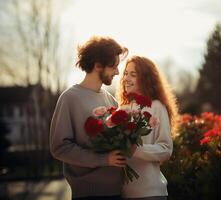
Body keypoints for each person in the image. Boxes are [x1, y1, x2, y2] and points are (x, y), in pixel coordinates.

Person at [50, 36, 128, 200]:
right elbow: (60, 147)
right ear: (98, 65)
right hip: (89, 194)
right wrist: (103, 159)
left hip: (117, 192)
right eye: (113, 66)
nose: (117, 72)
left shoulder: (110, 99)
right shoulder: (70, 98)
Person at [117, 56, 178, 200]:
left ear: (145, 78)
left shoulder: (156, 106)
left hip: (150, 193)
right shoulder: (121, 110)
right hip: (123, 193)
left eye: (133, 74)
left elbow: (166, 149)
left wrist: (136, 150)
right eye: (125, 73)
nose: (126, 78)